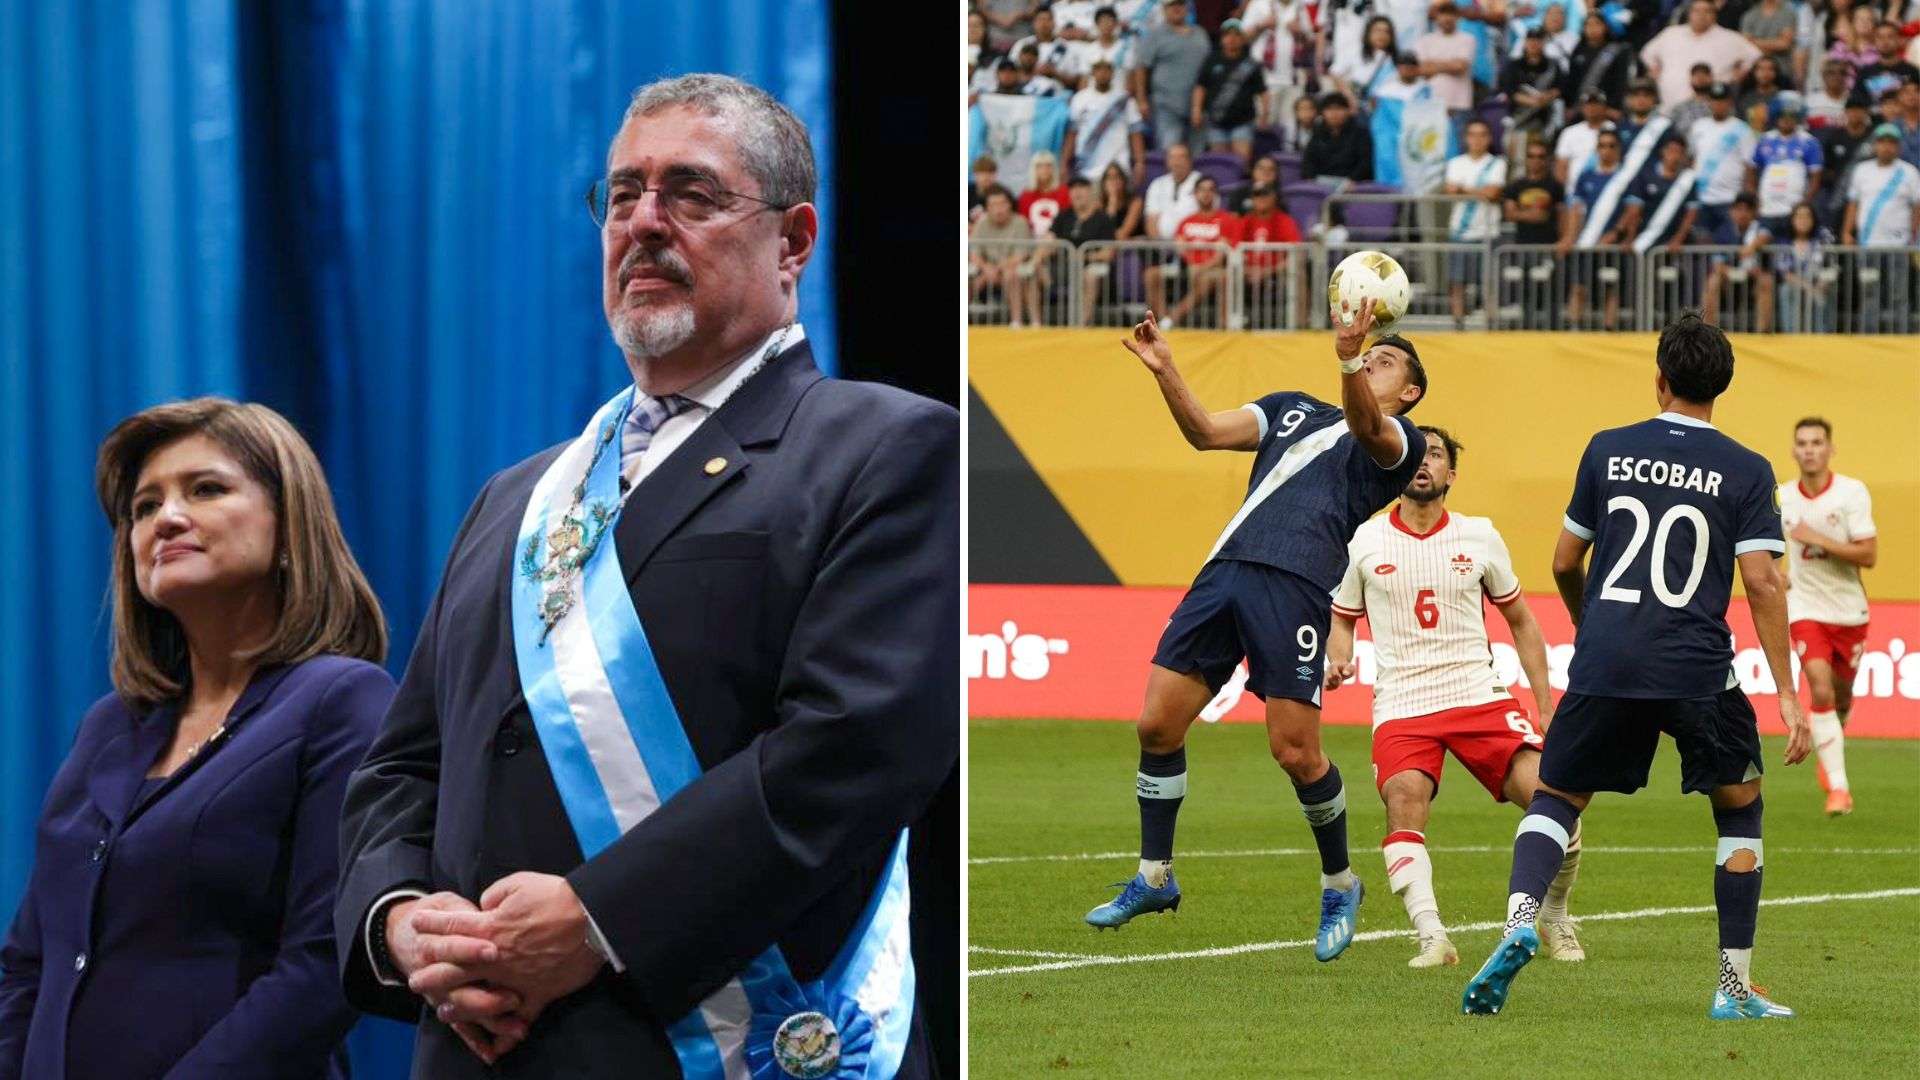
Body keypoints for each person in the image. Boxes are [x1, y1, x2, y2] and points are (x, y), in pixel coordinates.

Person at [335, 75, 958, 1077]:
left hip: (713, 1047)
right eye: (622, 196)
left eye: (692, 195)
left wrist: (594, 919)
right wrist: (401, 922)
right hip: (475, 1048)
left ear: (794, 241)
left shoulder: (889, 448)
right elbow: (404, 766)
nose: (644, 223)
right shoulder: (515, 498)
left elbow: (855, 746)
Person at [0, 399, 393, 1078]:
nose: (166, 518)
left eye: (205, 489)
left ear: (290, 522)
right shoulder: (110, 727)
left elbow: (324, 964)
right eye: (144, 508)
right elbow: (34, 959)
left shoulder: (342, 700)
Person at [1460, 312, 1810, 1021]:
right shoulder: (1746, 469)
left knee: (1557, 796)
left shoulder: (1608, 449)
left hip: (1607, 653)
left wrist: (1592, 629)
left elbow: (1563, 560)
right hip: (1696, 665)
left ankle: (1518, 922)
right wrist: (1789, 694)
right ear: (1725, 384)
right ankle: (1734, 989)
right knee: (1740, 806)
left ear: (1660, 379)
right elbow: (1764, 582)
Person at [1083, 302, 1429, 971]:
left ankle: (1339, 884)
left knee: (1296, 752)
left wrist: (1350, 357)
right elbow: (1208, 432)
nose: (1373, 361)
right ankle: (1155, 876)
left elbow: (1364, 420)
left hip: (1295, 582)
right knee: (1156, 725)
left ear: (1408, 391)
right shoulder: (1291, 407)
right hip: (1225, 571)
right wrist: (1166, 369)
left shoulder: (1399, 440)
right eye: (1371, 355)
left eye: (1386, 361)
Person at [1326, 426, 1584, 970]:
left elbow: (1522, 622)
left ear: (1451, 475)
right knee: (1403, 802)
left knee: (1553, 798)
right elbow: (1341, 620)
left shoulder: (1479, 535)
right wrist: (1339, 655)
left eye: (1436, 454)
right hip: (1403, 702)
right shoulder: (1365, 540)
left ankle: (1556, 912)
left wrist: (1544, 703)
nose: (1424, 462)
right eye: (1415, 453)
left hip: (1476, 694)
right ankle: (1433, 938)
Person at [1777, 417, 1876, 816]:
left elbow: (1868, 555)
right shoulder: (1782, 497)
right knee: (1819, 688)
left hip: (1849, 610)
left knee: (1841, 697)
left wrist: (1816, 538)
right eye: (1802, 443)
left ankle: (1830, 744)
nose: (1809, 450)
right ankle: (1839, 790)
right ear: (1794, 450)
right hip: (1805, 606)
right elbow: (1765, 549)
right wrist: (1774, 575)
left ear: (1830, 449)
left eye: (1817, 442)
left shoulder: (1851, 493)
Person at [1146, 174, 1241, 327]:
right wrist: (1191, 265)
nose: (1206, 193)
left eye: (1210, 190)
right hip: (1187, 267)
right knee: (1151, 275)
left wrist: (1202, 267)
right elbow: (1180, 247)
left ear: (1216, 194)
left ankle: (1171, 319)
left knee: (1210, 278)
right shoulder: (1186, 221)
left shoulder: (1227, 220)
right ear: (1195, 194)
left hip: (1213, 269)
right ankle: (1161, 320)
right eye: (1202, 190)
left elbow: (1223, 252)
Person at [1560, 128, 1632, 329]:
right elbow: (1576, 209)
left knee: (1612, 288)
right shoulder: (1586, 176)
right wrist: (1569, 236)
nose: (1606, 150)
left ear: (1618, 149)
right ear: (1596, 149)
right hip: (1588, 242)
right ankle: (1574, 329)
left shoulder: (1626, 177)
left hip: (1613, 244)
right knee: (1579, 286)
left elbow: (1632, 210)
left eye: (1611, 146)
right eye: (1602, 145)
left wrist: (1616, 232)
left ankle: (1609, 329)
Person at [1443, 118, 1508, 328]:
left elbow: (1493, 192)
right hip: (1460, 231)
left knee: (1489, 282)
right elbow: (1451, 191)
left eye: (1482, 135)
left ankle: (1490, 322)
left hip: (1487, 231)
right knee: (1457, 281)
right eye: (1473, 134)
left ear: (1489, 139)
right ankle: (1458, 322)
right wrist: (1479, 192)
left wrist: (1464, 189)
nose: (1477, 139)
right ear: (1466, 138)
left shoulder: (1497, 163)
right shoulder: (1455, 163)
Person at [1642, 0, 1763, 109]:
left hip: (1711, 108)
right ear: (1689, 13)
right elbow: (1647, 53)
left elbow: (1755, 55)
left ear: (1715, 14)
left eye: (1707, 11)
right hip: (1670, 105)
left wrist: (1741, 73)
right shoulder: (1671, 33)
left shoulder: (1730, 38)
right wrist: (1653, 68)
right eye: (1697, 11)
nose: (1701, 15)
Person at [1135, 0, 1214, 150]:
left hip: (1198, 107)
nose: (1177, 8)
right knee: (1170, 151)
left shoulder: (1200, 33)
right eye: (1172, 5)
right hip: (1167, 105)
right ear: (1164, 9)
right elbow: (1141, 68)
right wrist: (1141, 99)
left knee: (1197, 153)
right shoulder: (1154, 35)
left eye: (1180, 4)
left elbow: (1209, 67)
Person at [1690, 82, 1760, 241]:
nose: (1718, 104)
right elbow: (1692, 159)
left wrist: (1748, 197)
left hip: (1730, 199)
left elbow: (1750, 165)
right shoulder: (1698, 127)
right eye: (1714, 100)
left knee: (1728, 243)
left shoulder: (1742, 129)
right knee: (1701, 244)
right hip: (1702, 198)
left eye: (1722, 100)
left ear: (1729, 102)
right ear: (1708, 101)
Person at [1196, 19, 1271, 163]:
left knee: (1241, 162)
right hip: (1216, 121)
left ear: (1242, 39)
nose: (1232, 39)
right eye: (1228, 35)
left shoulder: (1251, 64)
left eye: (1236, 35)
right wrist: (1196, 109)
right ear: (1222, 38)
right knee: (1219, 163)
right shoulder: (1212, 61)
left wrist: (1265, 115)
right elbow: (1201, 87)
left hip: (1243, 121)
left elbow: (1263, 92)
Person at [1066, 56, 1149, 181]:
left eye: (1106, 70)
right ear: (1093, 73)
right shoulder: (1079, 99)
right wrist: (1064, 163)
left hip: (1117, 168)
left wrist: (1139, 163)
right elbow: (1072, 134)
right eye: (1099, 70)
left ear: (1112, 73)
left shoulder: (1125, 100)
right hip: (1087, 168)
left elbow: (1135, 134)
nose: (1103, 74)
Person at [1700, 193, 1776, 329]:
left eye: (1748, 209)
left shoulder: (1759, 227)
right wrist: (1732, 272)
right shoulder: (1723, 232)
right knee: (1713, 282)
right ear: (1731, 211)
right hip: (1729, 280)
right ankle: (1708, 331)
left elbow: (1766, 235)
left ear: (1754, 213)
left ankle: (1763, 333)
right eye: (1739, 209)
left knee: (1766, 280)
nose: (1743, 214)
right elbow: (1718, 264)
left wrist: (1751, 247)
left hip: (1753, 279)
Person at [1750, 97, 1824, 235]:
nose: (1786, 119)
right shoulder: (1765, 139)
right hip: (1767, 208)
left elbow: (1816, 177)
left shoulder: (1809, 142)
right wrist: (1756, 197)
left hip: (1794, 209)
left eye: (1791, 116)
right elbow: (1751, 169)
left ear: (1797, 118)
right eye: (1782, 115)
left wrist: (1804, 203)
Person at [1620, 133, 1704, 254]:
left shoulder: (1688, 180)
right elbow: (1634, 210)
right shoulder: (1645, 176)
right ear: (1663, 152)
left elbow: (1690, 215)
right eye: (1671, 150)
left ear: (1683, 155)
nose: (1674, 155)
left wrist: (1677, 240)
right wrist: (1630, 238)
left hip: (1670, 245)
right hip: (1644, 239)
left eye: (1678, 152)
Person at [1840, 122, 1920, 244]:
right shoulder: (1861, 170)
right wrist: (1847, 232)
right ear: (1875, 145)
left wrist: (1915, 237)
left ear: (1899, 147)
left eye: (1891, 142)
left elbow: (1917, 206)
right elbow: (1853, 204)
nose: (1886, 147)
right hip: (1867, 241)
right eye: (1882, 142)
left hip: (1899, 243)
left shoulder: (1910, 171)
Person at [1238, 183, 1305, 325]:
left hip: (1276, 273)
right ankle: (1228, 326)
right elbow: (1233, 252)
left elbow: (1297, 254)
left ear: (1274, 197)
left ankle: (1301, 325)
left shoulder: (1285, 221)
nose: (1261, 198)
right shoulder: (1245, 221)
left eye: (1265, 194)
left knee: (1299, 274)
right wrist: (1247, 270)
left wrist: (1266, 271)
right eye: (1257, 194)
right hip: (1247, 272)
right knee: (1224, 275)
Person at [973, 185, 1039, 326]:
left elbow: (1021, 255)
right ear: (987, 208)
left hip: (1017, 268)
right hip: (989, 269)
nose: (999, 209)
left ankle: (1017, 321)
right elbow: (974, 253)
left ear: (1010, 205)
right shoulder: (981, 224)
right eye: (993, 205)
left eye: (1002, 203)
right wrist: (985, 268)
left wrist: (994, 269)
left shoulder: (1020, 222)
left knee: (1011, 275)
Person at [1503, 28, 1569, 162]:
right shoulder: (1513, 65)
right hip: (1519, 121)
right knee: (1517, 162)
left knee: (1543, 160)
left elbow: (1562, 88)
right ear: (1525, 42)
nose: (1534, 44)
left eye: (1538, 40)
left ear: (1543, 43)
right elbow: (1510, 91)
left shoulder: (1553, 65)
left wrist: (1548, 96)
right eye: (1531, 40)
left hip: (1546, 122)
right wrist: (1532, 102)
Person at [1417, 2, 1480, 135]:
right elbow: (1422, 70)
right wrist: (1450, 64)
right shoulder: (1425, 40)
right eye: (1443, 14)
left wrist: (1433, 64)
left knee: (1458, 150)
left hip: (1459, 105)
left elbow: (1461, 67)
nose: (1447, 18)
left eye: (1451, 14)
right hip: (1431, 104)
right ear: (1437, 16)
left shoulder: (1468, 39)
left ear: (1458, 17)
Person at [1816, 91, 1878, 227]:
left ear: (1866, 112)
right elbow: (1827, 167)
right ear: (1845, 112)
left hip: (1867, 194)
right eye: (1851, 109)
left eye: (1859, 109)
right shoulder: (1835, 137)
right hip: (1839, 195)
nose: (1855, 113)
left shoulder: (1874, 137)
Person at [1772, 201, 1836, 331]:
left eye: (1807, 216)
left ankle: (1822, 335)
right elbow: (1785, 273)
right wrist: (1808, 287)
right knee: (1786, 289)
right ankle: (1791, 333)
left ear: (1813, 220)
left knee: (1822, 293)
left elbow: (1831, 266)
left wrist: (1821, 283)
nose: (1803, 220)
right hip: (1797, 284)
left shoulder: (1823, 240)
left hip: (1819, 283)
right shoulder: (1784, 244)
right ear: (1792, 220)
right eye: (1799, 216)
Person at [1565, 11, 1637, 109]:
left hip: (1608, 108)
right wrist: (1569, 106)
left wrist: (1613, 107)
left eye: (1597, 24)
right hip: (1580, 108)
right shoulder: (1577, 51)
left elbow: (1620, 81)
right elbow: (1571, 82)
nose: (1593, 28)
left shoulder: (1617, 51)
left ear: (1605, 27)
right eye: (1588, 25)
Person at [1305, 91, 1379, 180]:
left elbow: (1365, 162)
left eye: (1339, 108)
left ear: (1348, 111)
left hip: (1353, 184)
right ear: (1322, 113)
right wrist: (1310, 178)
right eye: (1329, 109)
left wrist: (1353, 180)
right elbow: (1309, 160)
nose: (1334, 113)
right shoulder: (1318, 133)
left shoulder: (1361, 133)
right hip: (1322, 182)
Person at [1333, 15, 1403, 105]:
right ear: (1368, 33)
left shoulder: (1396, 59)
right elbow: (1335, 73)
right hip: (1358, 104)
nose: (1382, 35)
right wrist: (1350, 98)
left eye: (1386, 32)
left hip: (1384, 106)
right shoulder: (1356, 50)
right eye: (1377, 31)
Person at [1554, 89, 1617, 185]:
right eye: (1588, 104)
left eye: (1596, 104)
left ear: (1604, 107)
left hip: (1606, 190)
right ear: (1582, 108)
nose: (1592, 107)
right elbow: (1561, 166)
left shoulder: (1614, 129)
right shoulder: (1569, 132)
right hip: (1575, 193)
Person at [1145, 141, 1204, 236]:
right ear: (1167, 161)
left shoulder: (1202, 182)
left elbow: (1208, 216)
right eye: (1172, 157)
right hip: (1162, 246)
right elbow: (1151, 219)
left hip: (1193, 243)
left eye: (1181, 157)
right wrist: (1159, 248)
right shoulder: (1157, 184)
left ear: (1190, 160)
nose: (1176, 162)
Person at [1854, 19, 1920, 103]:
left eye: (1890, 36)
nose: (1885, 41)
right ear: (1874, 41)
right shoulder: (1864, 72)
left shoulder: (1912, 71)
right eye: (1880, 37)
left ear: (1899, 40)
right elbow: (1857, 103)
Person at [1020, 150, 1073, 237]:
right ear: (1033, 169)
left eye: (1048, 166)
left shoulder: (1064, 191)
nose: (1044, 170)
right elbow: (1024, 222)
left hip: (1059, 239)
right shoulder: (1026, 195)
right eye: (1039, 166)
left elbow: (1068, 218)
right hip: (1031, 240)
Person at [1739, 0, 1798, 69]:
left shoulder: (1788, 14)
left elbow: (1785, 44)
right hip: (1754, 67)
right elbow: (1746, 44)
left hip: (1781, 67)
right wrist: (1775, 43)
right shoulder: (1749, 15)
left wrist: (1754, 41)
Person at [1804, 56, 1857, 127]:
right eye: (1831, 73)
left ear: (1847, 76)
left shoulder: (1854, 102)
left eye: (1842, 73)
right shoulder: (1810, 102)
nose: (1837, 76)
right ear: (1824, 75)